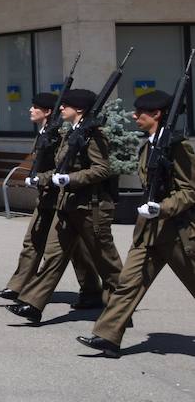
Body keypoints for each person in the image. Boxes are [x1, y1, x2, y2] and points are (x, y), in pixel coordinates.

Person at [80, 89, 195, 357]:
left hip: (178, 232)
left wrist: (162, 207)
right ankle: (107, 336)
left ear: (156, 114)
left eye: (140, 112)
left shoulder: (179, 147)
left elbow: (190, 190)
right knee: (128, 283)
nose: (134, 116)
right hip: (149, 231)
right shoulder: (149, 145)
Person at [8, 89, 124, 324]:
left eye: (66, 105)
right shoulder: (72, 133)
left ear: (79, 109)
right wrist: (43, 178)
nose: (61, 108)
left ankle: (121, 309)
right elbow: (62, 168)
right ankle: (33, 304)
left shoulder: (94, 135)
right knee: (54, 256)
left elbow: (103, 169)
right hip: (67, 205)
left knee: (107, 262)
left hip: (91, 207)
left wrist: (72, 179)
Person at [0, 92, 103, 305]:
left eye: (36, 107)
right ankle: (17, 287)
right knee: (36, 241)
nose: (30, 110)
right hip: (47, 196)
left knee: (71, 248)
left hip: (59, 195)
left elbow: (62, 167)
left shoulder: (58, 136)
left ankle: (93, 291)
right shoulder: (46, 133)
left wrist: (42, 179)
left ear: (47, 111)